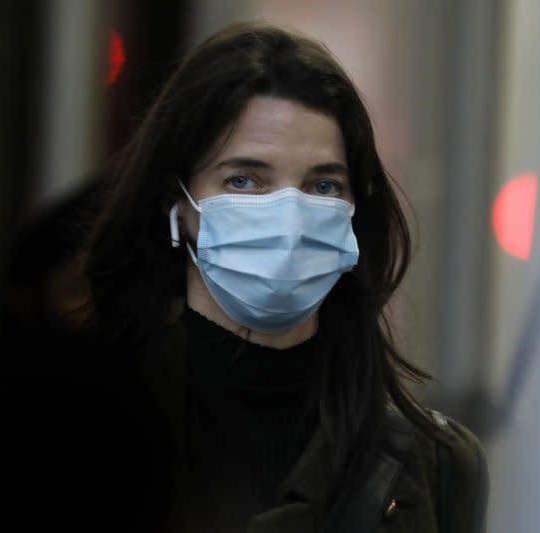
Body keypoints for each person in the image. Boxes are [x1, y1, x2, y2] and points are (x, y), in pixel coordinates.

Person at [84, 21, 488, 533]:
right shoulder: (81, 436)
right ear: (177, 204)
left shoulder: (437, 465)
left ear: (353, 212)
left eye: (322, 185)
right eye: (245, 180)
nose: (290, 217)